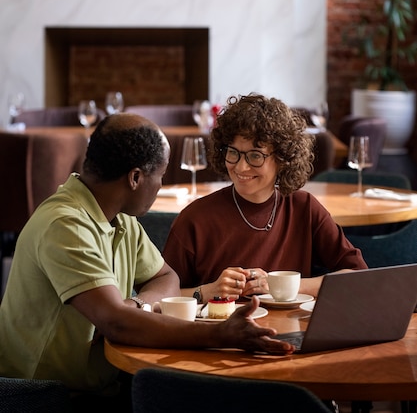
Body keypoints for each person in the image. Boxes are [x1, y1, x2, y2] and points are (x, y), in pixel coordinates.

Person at [0, 113, 294, 410]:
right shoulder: (66, 226)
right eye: (161, 175)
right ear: (136, 177)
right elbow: (118, 324)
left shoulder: (120, 219)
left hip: (103, 384)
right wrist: (221, 333)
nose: (161, 184)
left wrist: (140, 305)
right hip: (44, 397)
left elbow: (166, 278)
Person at [163, 93, 368, 304]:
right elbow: (156, 297)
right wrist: (206, 291)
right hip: (220, 334)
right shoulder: (195, 218)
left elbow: (358, 276)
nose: (241, 167)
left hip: (292, 333)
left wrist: (282, 285)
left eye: (255, 156)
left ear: (282, 158)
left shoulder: (304, 208)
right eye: (233, 152)